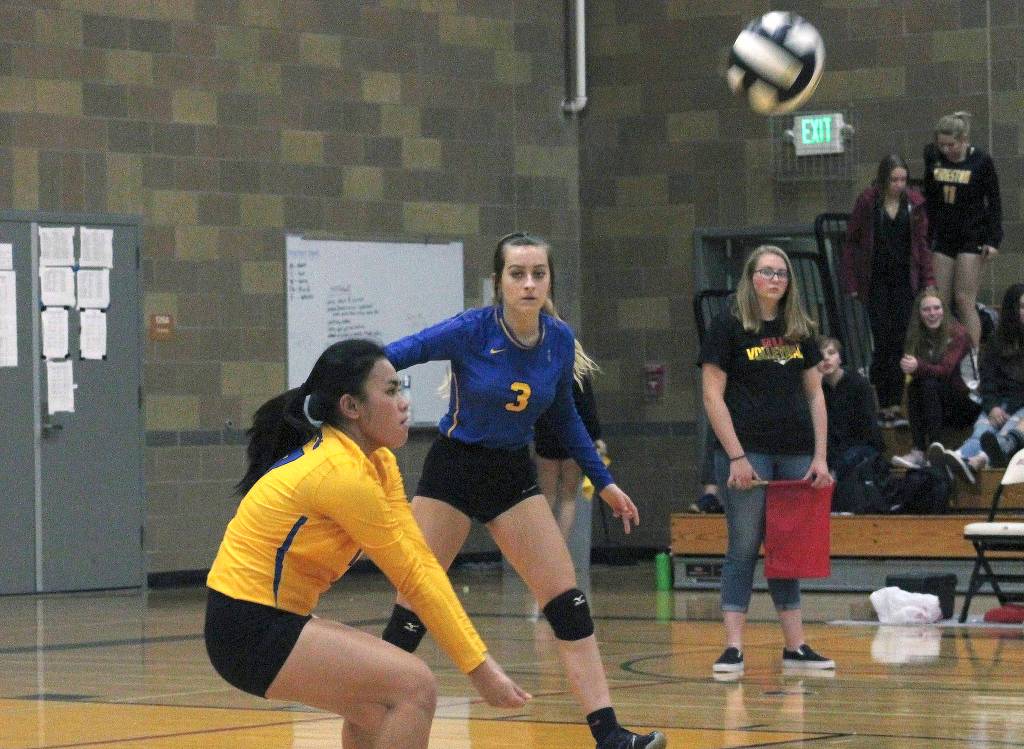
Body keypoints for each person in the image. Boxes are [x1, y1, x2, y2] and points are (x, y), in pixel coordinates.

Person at [379, 232, 667, 749]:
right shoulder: (471, 329)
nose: (529, 283)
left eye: (539, 273)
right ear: (499, 282)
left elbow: (566, 417)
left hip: (511, 473)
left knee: (568, 603)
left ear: (550, 280)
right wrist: (341, 389)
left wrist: (603, 482)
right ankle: (373, 716)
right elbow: (395, 355)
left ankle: (610, 735)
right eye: (518, 274)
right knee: (414, 604)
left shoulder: (558, 339)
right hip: (454, 469)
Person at [204, 339, 530, 749]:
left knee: (375, 711)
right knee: (414, 686)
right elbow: (412, 577)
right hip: (247, 628)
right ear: (351, 407)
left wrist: (477, 663)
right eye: (391, 391)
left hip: (270, 619)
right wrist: (480, 668)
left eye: (401, 388)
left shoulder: (378, 463)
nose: (404, 402)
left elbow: (419, 561)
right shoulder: (338, 473)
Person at [699, 245, 835, 676]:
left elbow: (815, 395)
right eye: (767, 272)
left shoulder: (800, 329)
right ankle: (733, 648)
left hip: (795, 452)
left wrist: (820, 456)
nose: (775, 280)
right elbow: (712, 396)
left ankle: (796, 646)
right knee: (743, 545)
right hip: (747, 452)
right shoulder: (728, 326)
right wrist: (736, 456)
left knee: (786, 548)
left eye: (782, 273)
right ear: (750, 278)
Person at [841, 154, 933, 427]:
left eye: (903, 179)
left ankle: (897, 402)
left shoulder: (914, 204)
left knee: (903, 340)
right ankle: (884, 402)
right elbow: (851, 242)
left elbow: (922, 246)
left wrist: (928, 281)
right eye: (894, 179)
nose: (899, 185)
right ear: (883, 180)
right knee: (882, 340)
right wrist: (851, 282)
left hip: (905, 281)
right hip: (876, 281)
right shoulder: (868, 202)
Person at [922, 111, 1003, 349]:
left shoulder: (981, 161)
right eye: (942, 145)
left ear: (964, 139)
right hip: (944, 236)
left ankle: (973, 356)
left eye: (951, 145)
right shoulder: (934, 157)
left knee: (964, 298)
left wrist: (993, 240)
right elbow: (930, 199)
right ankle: (943, 353)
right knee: (939, 300)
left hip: (973, 236)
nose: (946, 150)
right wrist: (927, 236)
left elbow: (994, 202)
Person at [930, 284, 1024, 482]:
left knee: (1006, 434)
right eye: (1022, 307)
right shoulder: (997, 342)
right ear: (1012, 310)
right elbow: (988, 380)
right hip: (999, 402)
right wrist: (992, 407)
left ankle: (977, 460)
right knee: (981, 432)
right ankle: (957, 458)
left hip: (1021, 406)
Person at [892, 289, 979, 469]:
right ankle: (918, 451)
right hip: (937, 401)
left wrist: (918, 366)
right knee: (916, 385)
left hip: (967, 402)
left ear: (944, 310)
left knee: (928, 384)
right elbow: (920, 373)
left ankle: (934, 448)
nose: (932, 313)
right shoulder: (917, 336)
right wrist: (909, 367)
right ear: (919, 314)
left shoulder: (958, 334)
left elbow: (945, 371)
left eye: (937, 308)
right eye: (926, 309)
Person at [534, 359, 605, 540]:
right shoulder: (578, 372)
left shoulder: (540, 368)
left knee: (546, 497)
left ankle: (544, 547)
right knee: (568, 499)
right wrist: (596, 437)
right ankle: (559, 548)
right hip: (574, 439)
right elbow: (588, 408)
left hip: (546, 435)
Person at [817, 336, 885, 479]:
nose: (826, 358)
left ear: (840, 359)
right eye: (821, 355)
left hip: (863, 446)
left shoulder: (858, 384)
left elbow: (867, 428)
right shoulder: (818, 390)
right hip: (835, 451)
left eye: (831, 353)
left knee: (847, 461)